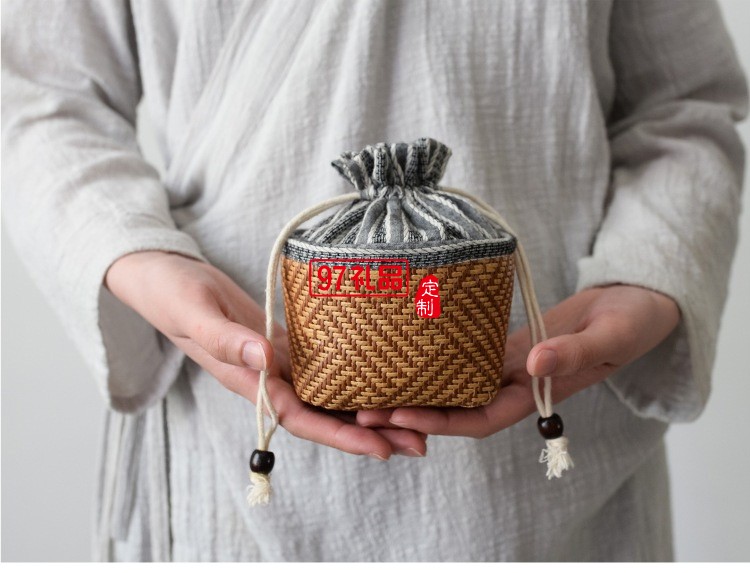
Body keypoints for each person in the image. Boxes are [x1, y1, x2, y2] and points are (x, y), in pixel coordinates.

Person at [2, 0, 747, 562]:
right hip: (227, 447)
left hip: (560, 462)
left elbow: (683, 106)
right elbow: (42, 95)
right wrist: (140, 259)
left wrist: (648, 271)